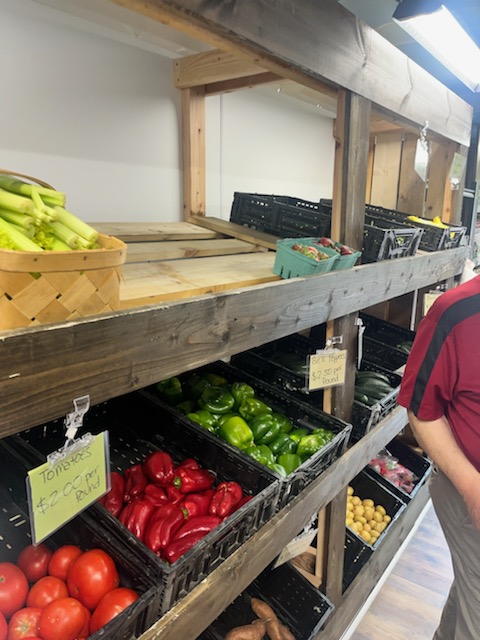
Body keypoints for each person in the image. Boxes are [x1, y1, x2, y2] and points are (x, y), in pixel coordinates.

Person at [397, 273, 480, 640]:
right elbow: (423, 411)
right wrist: (472, 486)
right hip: (468, 491)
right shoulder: (455, 313)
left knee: (469, 596)